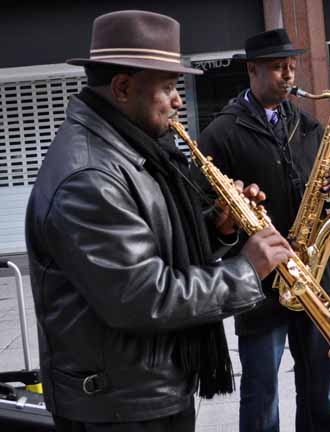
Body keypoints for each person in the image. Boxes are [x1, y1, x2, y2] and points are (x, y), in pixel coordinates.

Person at [25, 11, 294, 432]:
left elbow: (152, 246)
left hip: (142, 390)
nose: (179, 100)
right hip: (118, 407)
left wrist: (217, 228)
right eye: (168, 88)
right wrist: (248, 270)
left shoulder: (130, 149)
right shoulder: (90, 177)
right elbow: (142, 297)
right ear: (123, 87)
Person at [198, 29, 330, 432]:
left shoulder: (306, 123)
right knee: (262, 393)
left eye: (291, 66)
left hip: (314, 277)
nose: (288, 74)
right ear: (252, 70)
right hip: (263, 289)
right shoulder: (221, 133)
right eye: (278, 67)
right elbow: (206, 210)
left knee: (320, 390)